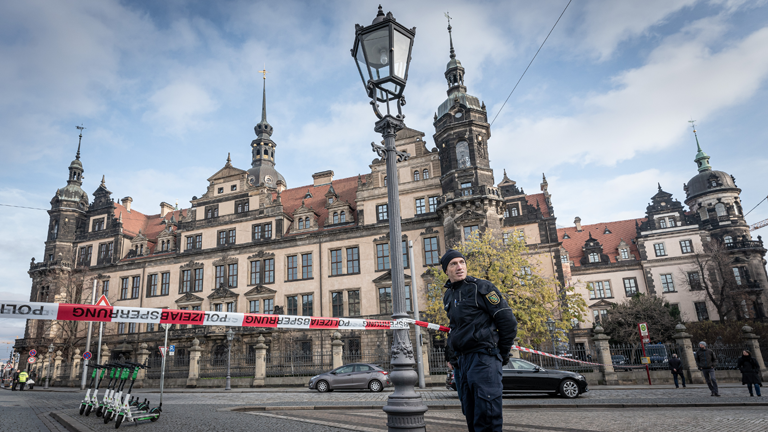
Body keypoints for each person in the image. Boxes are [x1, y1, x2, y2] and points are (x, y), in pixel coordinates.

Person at [442, 249, 518, 432]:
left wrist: (501, 353)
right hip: (463, 362)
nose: (459, 267)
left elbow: (508, 322)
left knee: (487, 416)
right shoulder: (448, 295)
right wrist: (451, 357)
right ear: (446, 270)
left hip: (484, 358)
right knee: (471, 414)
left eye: (462, 262)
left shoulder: (482, 288)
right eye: (453, 264)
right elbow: (455, 329)